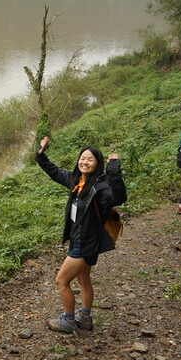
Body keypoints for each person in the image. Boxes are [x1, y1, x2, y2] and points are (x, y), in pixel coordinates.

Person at [35, 136, 127, 333]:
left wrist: (114, 170)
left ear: (98, 164)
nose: (85, 162)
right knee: (83, 280)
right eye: (82, 158)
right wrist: (41, 156)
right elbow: (55, 172)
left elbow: (119, 197)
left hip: (86, 243)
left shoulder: (100, 188)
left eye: (90, 159)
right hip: (79, 239)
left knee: (61, 281)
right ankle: (85, 318)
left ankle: (68, 320)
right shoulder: (77, 181)